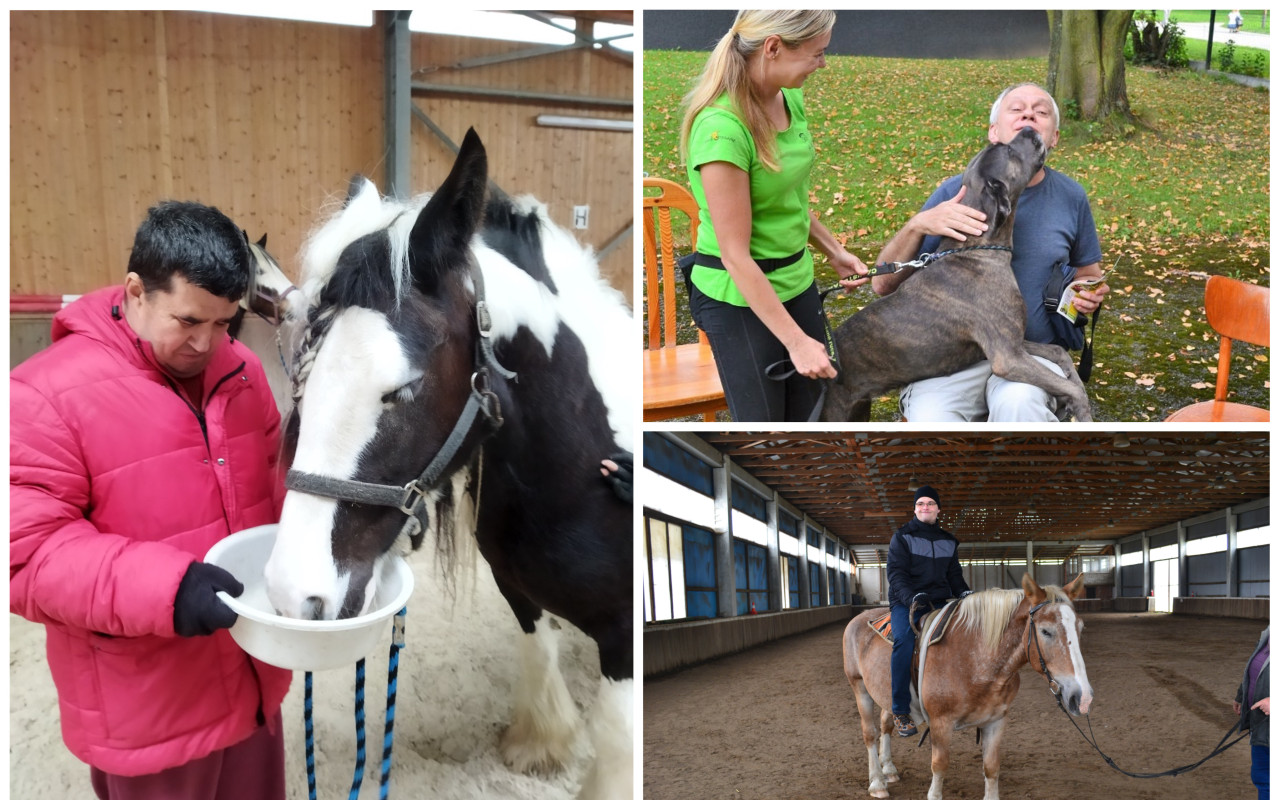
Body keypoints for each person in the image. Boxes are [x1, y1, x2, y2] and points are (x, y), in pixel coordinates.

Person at [10, 201, 292, 799]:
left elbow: (275, 485)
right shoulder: (43, 394)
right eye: (188, 320)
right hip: (149, 706)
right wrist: (169, 588)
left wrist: (347, 523)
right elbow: (27, 555)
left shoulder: (241, 371)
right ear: (137, 290)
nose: (207, 343)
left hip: (252, 673)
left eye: (223, 323)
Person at [872, 82, 1110, 421]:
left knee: (1020, 406)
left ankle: (1019, 476)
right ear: (994, 132)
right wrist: (917, 226)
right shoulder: (956, 191)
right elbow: (882, 285)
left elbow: (1090, 275)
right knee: (930, 418)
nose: (1029, 113)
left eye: (1041, 111)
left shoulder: (1071, 197)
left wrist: (1091, 293)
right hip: (953, 356)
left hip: (1029, 353)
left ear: (1054, 138)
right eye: (1017, 109)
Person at [680, 10, 870, 422]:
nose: (824, 63)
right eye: (817, 53)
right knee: (768, 426)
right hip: (738, 296)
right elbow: (735, 255)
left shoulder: (789, 96)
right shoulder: (721, 131)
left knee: (820, 415)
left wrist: (833, 251)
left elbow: (788, 198)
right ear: (773, 48)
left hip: (796, 278)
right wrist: (796, 342)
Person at [885, 486, 971, 737]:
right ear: (914, 508)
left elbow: (954, 575)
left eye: (930, 503)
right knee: (903, 640)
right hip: (906, 601)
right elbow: (896, 574)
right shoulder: (902, 537)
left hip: (939, 600)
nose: (925, 507)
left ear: (938, 509)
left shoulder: (948, 541)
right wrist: (911, 597)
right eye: (920, 503)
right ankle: (900, 710)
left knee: (966, 635)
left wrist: (964, 592)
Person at [1234, 626, 1269, 799]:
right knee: (1263, 778)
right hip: (1261, 725)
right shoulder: (1268, 634)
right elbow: (1254, 670)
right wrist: (1242, 695)